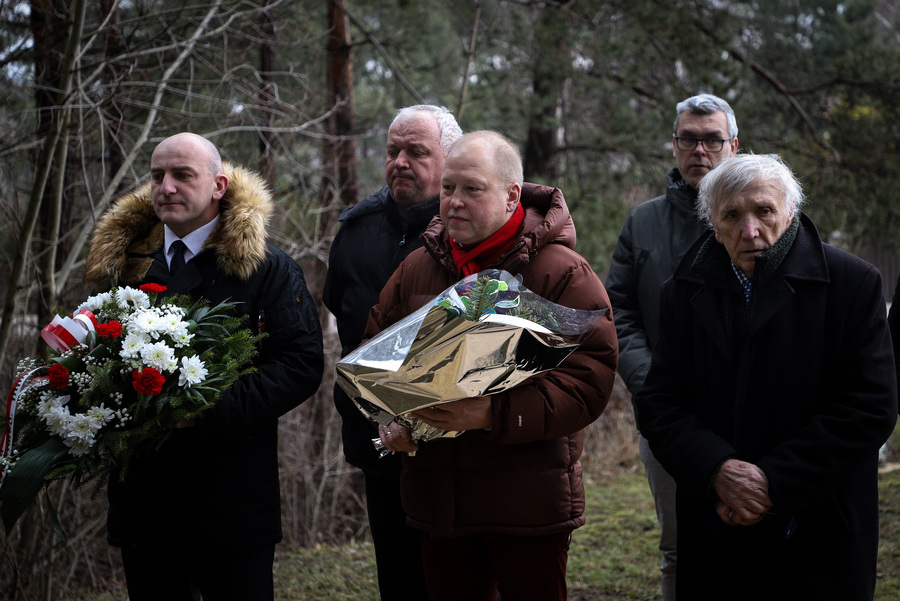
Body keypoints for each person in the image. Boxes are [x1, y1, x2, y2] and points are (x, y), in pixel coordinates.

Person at [365, 131, 618, 601]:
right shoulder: (416, 267)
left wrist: (491, 413)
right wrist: (389, 418)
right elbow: (375, 355)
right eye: (447, 188)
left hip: (526, 503)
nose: (454, 202)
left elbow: (588, 382)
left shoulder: (560, 271)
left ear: (511, 196)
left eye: (472, 189)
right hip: (438, 503)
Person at [634, 154, 898, 600]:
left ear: (790, 211)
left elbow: (870, 406)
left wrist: (771, 482)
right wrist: (717, 469)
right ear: (713, 225)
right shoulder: (681, 291)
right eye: (732, 216)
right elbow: (660, 404)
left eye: (763, 211)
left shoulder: (852, 283)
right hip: (717, 530)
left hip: (820, 528)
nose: (750, 230)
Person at [84, 132, 324, 601]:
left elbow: (300, 364)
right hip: (144, 501)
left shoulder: (267, 268)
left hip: (231, 498)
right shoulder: (122, 264)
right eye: (157, 176)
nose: (166, 187)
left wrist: (202, 408)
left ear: (218, 185)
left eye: (182, 175)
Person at [323, 104, 462, 600]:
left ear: (450, 158)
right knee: (399, 582)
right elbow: (342, 317)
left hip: (456, 454)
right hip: (378, 446)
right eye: (392, 151)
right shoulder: (355, 232)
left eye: (416, 152)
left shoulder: (467, 228)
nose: (400, 162)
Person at [605, 92, 739, 600]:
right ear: (675, 144)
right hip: (667, 418)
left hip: (746, 412)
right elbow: (617, 312)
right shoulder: (643, 222)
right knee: (679, 547)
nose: (699, 150)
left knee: (750, 537)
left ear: (733, 146)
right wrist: (653, 385)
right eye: (689, 139)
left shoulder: (757, 217)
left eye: (712, 140)